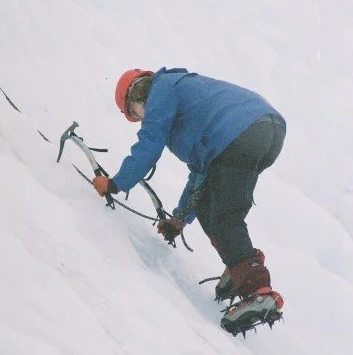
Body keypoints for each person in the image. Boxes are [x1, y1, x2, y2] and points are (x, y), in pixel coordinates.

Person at [92, 67, 286, 335]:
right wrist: (178, 221)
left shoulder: (161, 91)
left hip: (241, 130)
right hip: (266, 131)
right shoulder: (179, 100)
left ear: (136, 101)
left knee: (223, 216)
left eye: (135, 112)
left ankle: (257, 289)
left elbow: (149, 145)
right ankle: (241, 266)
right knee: (211, 205)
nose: (141, 117)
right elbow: (201, 176)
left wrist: (115, 184)